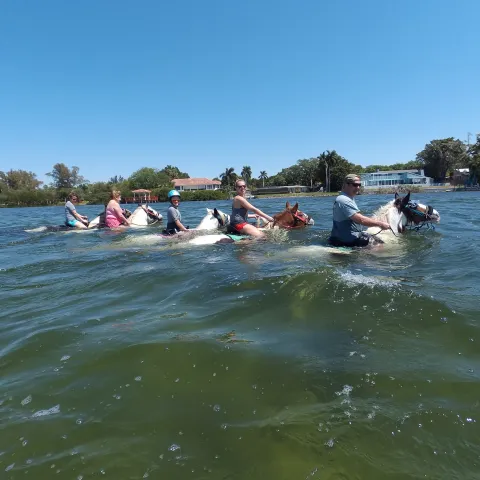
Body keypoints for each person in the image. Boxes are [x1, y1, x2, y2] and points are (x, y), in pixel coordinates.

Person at [328, 174, 390, 247]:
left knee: (375, 238)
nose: (358, 187)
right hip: (346, 240)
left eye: (359, 185)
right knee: (380, 245)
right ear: (346, 185)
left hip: (345, 236)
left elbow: (358, 218)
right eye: (355, 185)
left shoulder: (346, 198)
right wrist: (380, 224)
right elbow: (361, 220)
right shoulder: (344, 200)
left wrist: (375, 221)